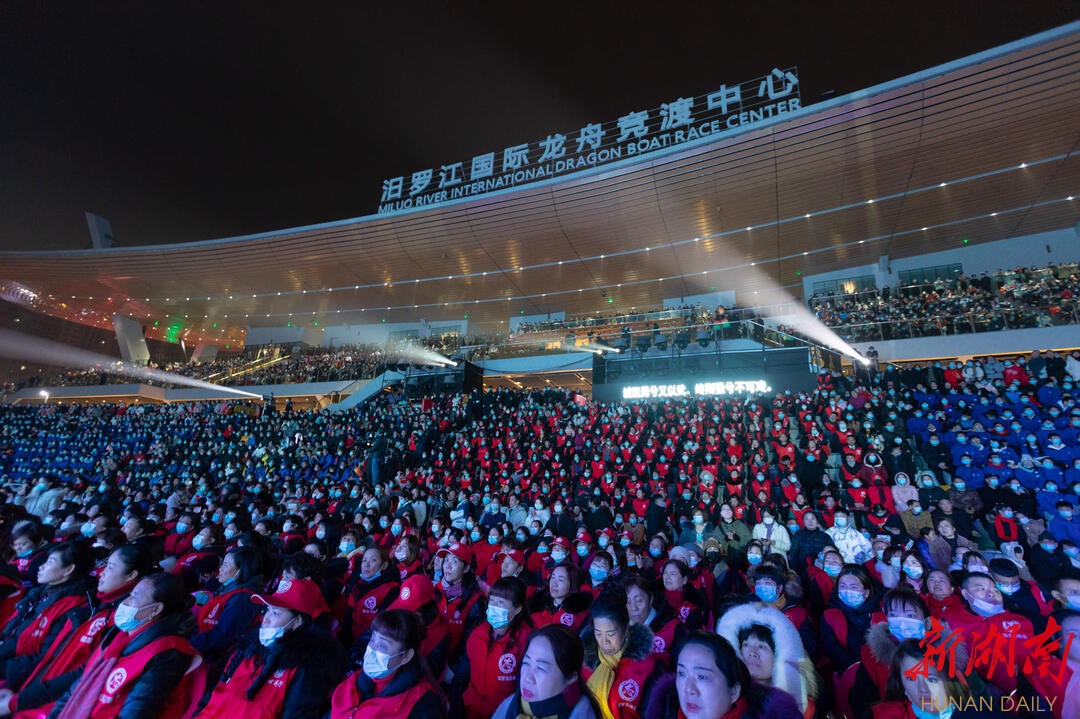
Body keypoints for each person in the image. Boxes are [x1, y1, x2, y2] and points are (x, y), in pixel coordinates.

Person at [0, 545, 153, 717]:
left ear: (131, 575)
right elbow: (53, 657)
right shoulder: (96, 607)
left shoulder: (119, 620)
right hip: (32, 688)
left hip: (52, 703)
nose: (101, 573)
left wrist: (18, 699)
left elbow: (83, 674)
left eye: (110, 568)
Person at [48, 573, 202, 719]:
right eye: (129, 595)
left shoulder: (167, 653)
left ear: (156, 609)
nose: (124, 602)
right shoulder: (118, 635)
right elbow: (77, 688)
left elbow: (136, 713)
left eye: (134, 597)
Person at [196, 577, 344, 719]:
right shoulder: (248, 648)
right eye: (267, 610)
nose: (265, 619)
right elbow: (213, 694)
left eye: (275, 613)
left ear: (296, 622)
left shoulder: (306, 669)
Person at [0, 540, 94, 686]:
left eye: (49, 562)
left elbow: (43, 657)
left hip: (17, 675)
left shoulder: (73, 608)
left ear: (68, 569)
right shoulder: (40, 593)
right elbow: (14, 630)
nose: (41, 567)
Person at [328, 608, 446, 719]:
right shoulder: (355, 681)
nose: (372, 648)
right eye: (373, 639)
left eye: (383, 645)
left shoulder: (423, 704)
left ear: (406, 656)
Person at [716, 602, 819, 719]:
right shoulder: (725, 700)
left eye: (761, 646)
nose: (752, 653)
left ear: (779, 656)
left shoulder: (802, 707)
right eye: (746, 645)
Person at [672, 630, 802, 719]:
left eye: (702, 677)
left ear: (734, 692)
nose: (688, 689)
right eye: (682, 674)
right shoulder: (663, 712)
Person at [458, 576, 532, 719]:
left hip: (503, 713)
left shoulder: (527, 641)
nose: (494, 607)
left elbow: (523, 690)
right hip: (470, 710)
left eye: (501, 603)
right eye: (492, 601)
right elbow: (463, 675)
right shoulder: (477, 634)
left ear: (517, 609)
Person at [582, 588, 662, 719]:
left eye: (611, 633)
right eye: (598, 633)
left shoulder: (647, 668)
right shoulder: (587, 664)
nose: (604, 641)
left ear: (625, 630)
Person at [492, 624, 601, 719]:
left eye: (541, 668)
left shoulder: (581, 714)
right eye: (526, 663)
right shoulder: (509, 706)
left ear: (571, 677)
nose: (528, 678)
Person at [192, 546, 264, 682]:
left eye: (225, 565)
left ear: (240, 571)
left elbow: (223, 636)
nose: (220, 569)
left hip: (213, 662)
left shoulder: (243, 598)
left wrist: (190, 645)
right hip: (203, 652)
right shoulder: (227, 590)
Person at [869, 639, 985, 719]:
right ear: (901, 683)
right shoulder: (880, 715)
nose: (923, 689)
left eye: (931, 679)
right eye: (911, 678)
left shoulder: (979, 713)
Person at [529, 563, 592, 632]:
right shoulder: (537, 604)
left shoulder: (578, 613)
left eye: (560, 580)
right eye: (552, 577)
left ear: (572, 584)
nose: (554, 583)